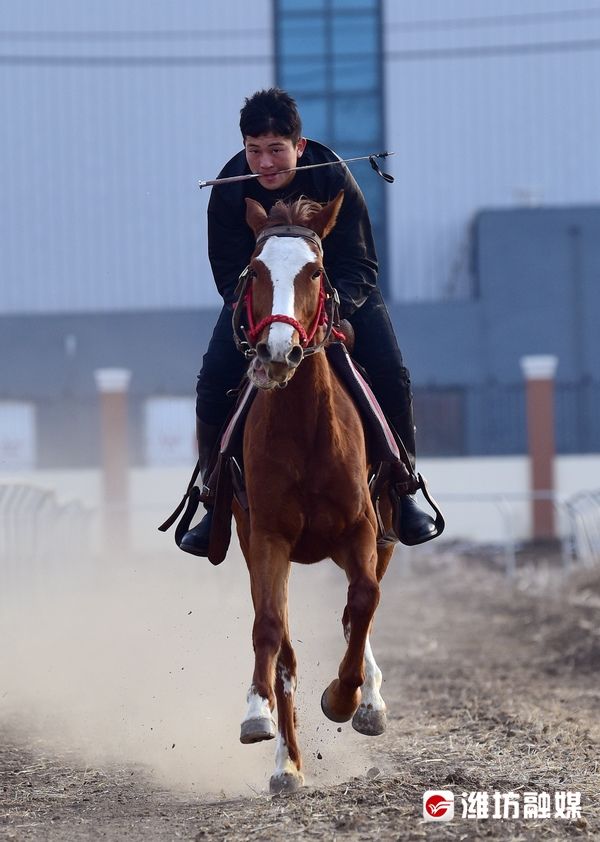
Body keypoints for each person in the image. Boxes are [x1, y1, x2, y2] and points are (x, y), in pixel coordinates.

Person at [179, 88, 437, 556]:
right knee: (212, 379)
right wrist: (262, 314)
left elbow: (362, 265)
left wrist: (327, 310)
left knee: (392, 373)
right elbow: (226, 270)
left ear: (299, 146)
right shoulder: (228, 189)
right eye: (253, 151)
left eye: (276, 150)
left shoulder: (335, 178)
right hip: (260, 304)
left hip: (342, 296)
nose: (265, 163)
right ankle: (209, 497)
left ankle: (405, 489)